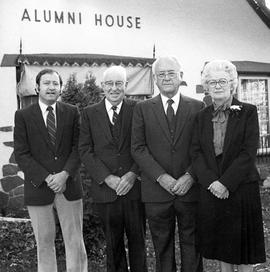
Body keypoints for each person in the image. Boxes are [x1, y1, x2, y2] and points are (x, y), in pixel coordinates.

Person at [191, 60, 266, 272]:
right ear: (206, 86)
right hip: (212, 189)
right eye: (212, 82)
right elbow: (195, 153)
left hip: (241, 187)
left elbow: (248, 152)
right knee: (222, 245)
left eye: (222, 81)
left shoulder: (248, 112)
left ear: (232, 83)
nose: (217, 86)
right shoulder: (200, 117)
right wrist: (212, 183)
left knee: (243, 250)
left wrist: (225, 183)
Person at [131, 56, 204, 272]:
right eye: (161, 74)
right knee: (162, 247)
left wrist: (190, 176)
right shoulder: (142, 108)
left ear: (180, 76)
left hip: (189, 190)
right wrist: (161, 177)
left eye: (171, 73)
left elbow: (203, 148)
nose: (166, 78)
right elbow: (138, 148)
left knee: (192, 246)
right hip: (156, 192)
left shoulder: (198, 106)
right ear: (155, 79)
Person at [14, 69, 88, 272]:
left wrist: (64, 175)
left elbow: (78, 148)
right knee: (44, 245)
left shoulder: (72, 112)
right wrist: (47, 178)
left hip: (69, 187)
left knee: (75, 242)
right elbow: (21, 154)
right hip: (38, 188)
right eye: (46, 83)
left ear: (61, 88)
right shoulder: (23, 116)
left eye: (55, 83)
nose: (51, 87)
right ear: (37, 87)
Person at [79, 65, 147, 272]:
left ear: (126, 85)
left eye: (119, 83)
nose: (114, 88)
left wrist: (133, 174)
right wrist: (107, 177)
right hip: (106, 191)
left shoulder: (138, 109)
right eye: (110, 83)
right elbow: (84, 150)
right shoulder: (90, 113)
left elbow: (145, 145)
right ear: (103, 86)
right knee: (113, 244)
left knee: (138, 243)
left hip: (134, 190)